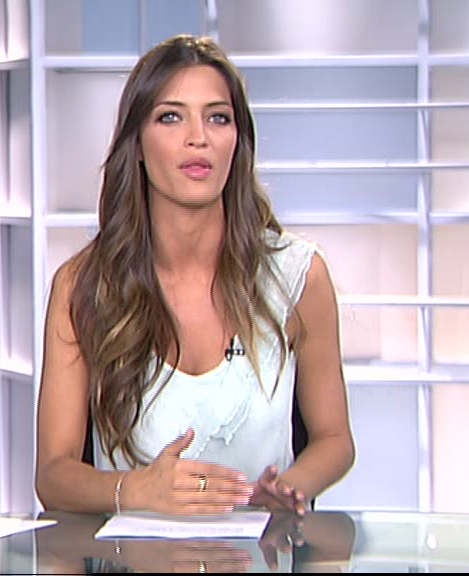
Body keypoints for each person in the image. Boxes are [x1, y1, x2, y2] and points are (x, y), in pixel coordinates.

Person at [35, 34, 355, 518]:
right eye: (171, 116)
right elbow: (54, 476)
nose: (198, 137)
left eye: (217, 117)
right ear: (136, 144)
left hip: (259, 551)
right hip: (131, 555)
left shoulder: (298, 276)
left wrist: (285, 490)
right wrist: (135, 490)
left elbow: (334, 440)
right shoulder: (84, 287)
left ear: (238, 142)